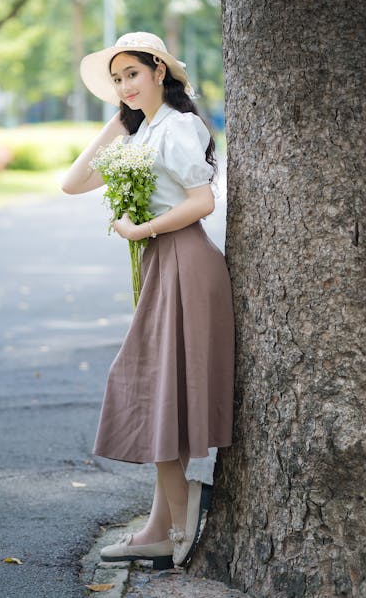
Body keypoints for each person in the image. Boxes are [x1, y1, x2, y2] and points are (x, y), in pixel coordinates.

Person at [62, 32, 235, 570]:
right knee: (163, 391)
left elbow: (202, 200)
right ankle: (160, 527)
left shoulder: (179, 127)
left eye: (132, 73)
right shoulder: (140, 134)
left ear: (160, 70)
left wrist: (142, 230)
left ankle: (178, 527)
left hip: (184, 260)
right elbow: (73, 183)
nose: (125, 85)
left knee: (157, 388)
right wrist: (117, 122)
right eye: (117, 80)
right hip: (161, 264)